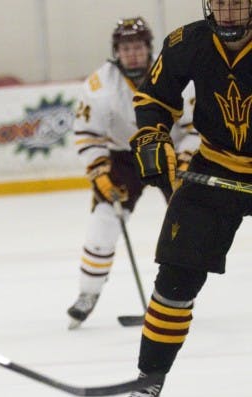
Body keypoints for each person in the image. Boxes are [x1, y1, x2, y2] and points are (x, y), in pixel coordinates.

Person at [120, 0, 252, 397]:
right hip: (213, 166)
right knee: (174, 280)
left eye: (239, 7)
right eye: (222, 7)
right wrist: (152, 135)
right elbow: (155, 97)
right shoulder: (188, 42)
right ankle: (150, 376)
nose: (229, 17)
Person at [67, 16, 200, 328]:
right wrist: (100, 173)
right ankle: (88, 294)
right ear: (117, 51)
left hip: (169, 151)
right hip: (123, 158)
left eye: (138, 47)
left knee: (187, 224)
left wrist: (185, 159)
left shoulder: (175, 73)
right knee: (104, 220)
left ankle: (179, 294)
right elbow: (88, 134)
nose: (133, 54)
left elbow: (196, 127)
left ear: (148, 48)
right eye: (126, 48)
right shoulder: (99, 85)